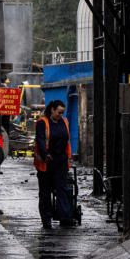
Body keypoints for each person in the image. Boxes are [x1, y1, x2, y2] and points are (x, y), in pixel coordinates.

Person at [34, 98, 75, 229]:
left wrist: (67, 159)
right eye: (59, 112)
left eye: (62, 113)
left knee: (62, 189)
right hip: (47, 163)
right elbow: (40, 140)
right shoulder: (42, 123)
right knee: (45, 192)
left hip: (61, 162)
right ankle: (46, 219)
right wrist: (45, 154)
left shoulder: (65, 122)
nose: (60, 115)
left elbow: (67, 142)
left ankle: (65, 217)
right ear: (52, 110)